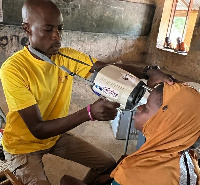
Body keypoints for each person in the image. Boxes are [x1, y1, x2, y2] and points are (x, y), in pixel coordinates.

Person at [0, 0, 173, 185]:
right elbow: (37, 129)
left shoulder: (65, 56)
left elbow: (108, 69)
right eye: (48, 29)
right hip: (23, 144)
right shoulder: (14, 69)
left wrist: (148, 71)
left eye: (60, 28)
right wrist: (88, 113)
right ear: (27, 28)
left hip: (55, 136)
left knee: (107, 164)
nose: (57, 36)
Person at [61, 82, 200, 185]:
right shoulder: (187, 158)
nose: (138, 107)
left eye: (146, 108)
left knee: (66, 181)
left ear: (165, 124)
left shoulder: (135, 175)